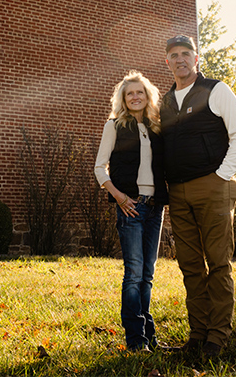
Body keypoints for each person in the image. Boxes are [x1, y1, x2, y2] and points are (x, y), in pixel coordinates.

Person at [160, 35, 236, 357]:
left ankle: (217, 338)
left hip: (213, 186)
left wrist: (221, 175)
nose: (181, 59)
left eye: (186, 53)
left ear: (196, 59)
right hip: (178, 193)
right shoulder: (166, 102)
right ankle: (197, 334)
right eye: (174, 55)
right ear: (167, 61)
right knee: (190, 266)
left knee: (218, 264)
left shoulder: (216, 90)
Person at [94, 70, 168, 353]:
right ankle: (136, 340)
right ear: (123, 99)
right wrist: (119, 197)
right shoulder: (114, 126)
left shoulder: (156, 128)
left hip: (155, 205)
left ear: (148, 96)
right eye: (130, 93)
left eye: (140, 92)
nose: (135, 97)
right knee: (134, 273)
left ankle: (149, 336)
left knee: (147, 274)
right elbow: (100, 168)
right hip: (131, 206)